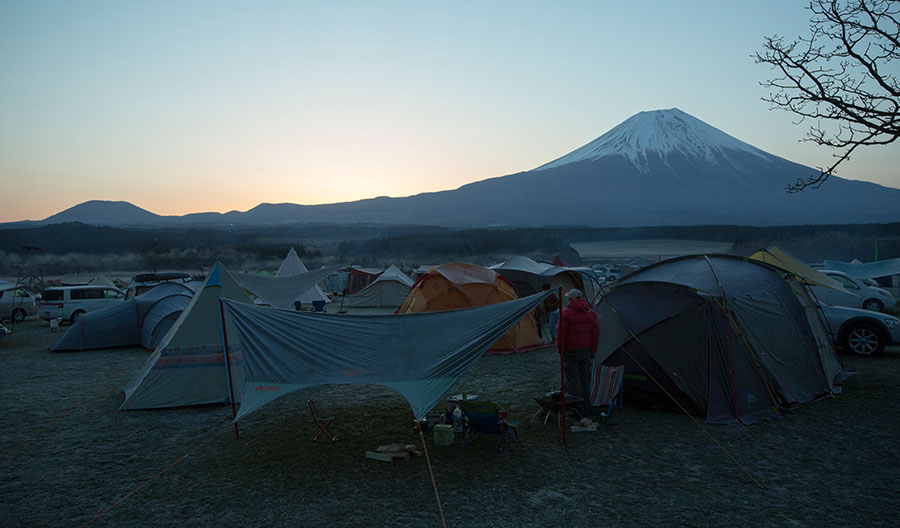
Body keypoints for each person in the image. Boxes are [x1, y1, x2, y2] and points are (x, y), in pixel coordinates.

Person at [557, 288, 599, 417]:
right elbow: (595, 333)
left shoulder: (565, 314)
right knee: (585, 380)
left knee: (573, 381)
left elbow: (561, 335)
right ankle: (586, 406)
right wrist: (593, 349)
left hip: (571, 352)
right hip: (585, 351)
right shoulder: (590, 313)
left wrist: (561, 351)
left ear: (570, 299)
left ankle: (576, 409)